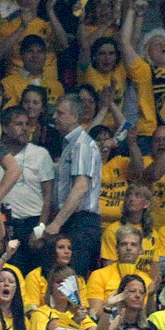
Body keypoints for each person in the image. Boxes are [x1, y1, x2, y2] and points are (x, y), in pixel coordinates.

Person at [46, 94, 103, 275]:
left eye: (60, 113)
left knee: (72, 279)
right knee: (63, 277)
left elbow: (80, 188)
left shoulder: (81, 144)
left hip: (81, 223)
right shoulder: (70, 145)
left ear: (74, 117)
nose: (54, 117)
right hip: (72, 221)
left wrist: (56, 223)